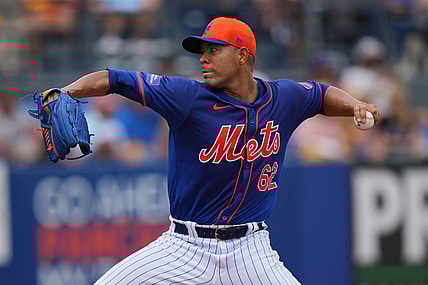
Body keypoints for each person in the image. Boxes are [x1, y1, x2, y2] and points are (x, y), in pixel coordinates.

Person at [53, 17, 380, 284]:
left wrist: (355, 105)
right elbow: (114, 79)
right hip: (183, 246)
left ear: (242, 55)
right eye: (202, 51)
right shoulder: (186, 96)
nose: (204, 58)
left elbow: (321, 95)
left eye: (214, 49)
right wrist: (66, 91)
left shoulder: (283, 98)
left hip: (250, 249)